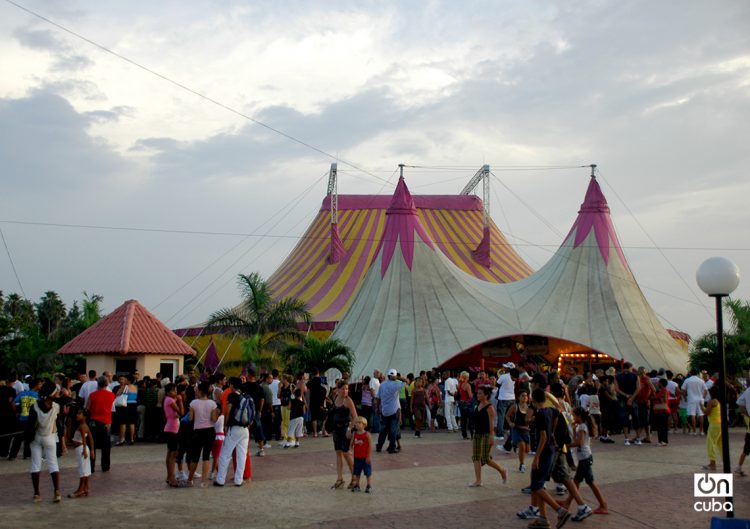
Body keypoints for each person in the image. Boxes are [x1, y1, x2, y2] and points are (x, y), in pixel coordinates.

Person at [516, 388, 571, 528]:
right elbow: (558, 411)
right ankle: (542, 518)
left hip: (544, 452)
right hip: (550, 449)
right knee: (537, 484)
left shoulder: (540, 414)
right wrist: (552, 430)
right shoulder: (549, 410)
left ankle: (560, 511)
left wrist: (537, 457)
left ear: (533, 400)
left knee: (537, 485)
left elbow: (543, 437)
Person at [561, 407, 608, 518]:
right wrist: (573, 427)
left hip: (585, 459)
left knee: (589, 483)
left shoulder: (582, 426)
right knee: (576, 483)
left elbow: (579, 442)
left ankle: (603, 504)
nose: (573, 417)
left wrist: (566, 446)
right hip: (584, 458)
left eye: (574, 415)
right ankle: (567, 503)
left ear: (579, 416)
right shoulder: (580, 426)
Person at [214, 377, 251, 487]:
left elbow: (228, 411)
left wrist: (225, 425)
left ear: (231, 385)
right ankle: (238, 480)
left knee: (225, 454)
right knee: (242, 455)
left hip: (234, 428)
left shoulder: (232, 395)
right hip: (245, 429)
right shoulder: (245, 395)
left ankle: (220, 480)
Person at [29, 382, 62, 503]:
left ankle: (37, 494)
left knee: (35, 465)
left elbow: (31, 424)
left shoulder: (35, 406)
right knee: (53, 464)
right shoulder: (56, 407)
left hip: (36, 437)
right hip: (50, 437)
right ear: (52, 394)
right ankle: (57, 492)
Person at [468, 386, 507, 487]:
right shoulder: (478, 405)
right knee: (476, 457)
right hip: (477, 434)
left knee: (485, 458)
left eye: (480, 393)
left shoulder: (490, 407)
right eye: (478, 393)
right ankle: (478, 480)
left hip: (486, 434)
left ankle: (502, 470)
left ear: (486, 395)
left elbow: (492, 424)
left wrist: (491, 437)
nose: (478, 395)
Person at [187, 381, 218, 486]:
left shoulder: (193, 403)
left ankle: (190, 479)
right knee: (206, 456)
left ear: (199, 391)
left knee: (195, 456)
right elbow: (214, 419)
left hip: (197, 431)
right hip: (209, 431)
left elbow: (190, 418)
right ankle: (203, 481)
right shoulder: (212, 403)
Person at [329, 380, 358, 489]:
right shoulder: (336, 398)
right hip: (336, 430)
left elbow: (355, 417)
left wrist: (350, 429)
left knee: (346, 453)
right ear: (338, 390)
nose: (345, 391)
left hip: (345, 429)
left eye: (347, 389)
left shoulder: (348, 401)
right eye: (343, 389)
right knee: (338, 453)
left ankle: (354, 477)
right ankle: (339, 478)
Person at [85, 376, 115, 473]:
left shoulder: (92, 395)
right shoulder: (111, 395)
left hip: (93, 422)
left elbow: (87, 408)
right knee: (106, 446)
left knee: (92, 445)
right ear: (106, 384)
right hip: (106, 422)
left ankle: (91, 466)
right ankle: (105, 466)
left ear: (98, 384)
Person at [68, 408, 94, 498]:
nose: (77, 415)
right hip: (84, 449)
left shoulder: (82, 426)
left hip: (81, 449)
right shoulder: (85, 426)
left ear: (84, 416)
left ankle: (80, 489)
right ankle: (85, 488)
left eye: (79, 414)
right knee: (86, 469)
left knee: (82, 470)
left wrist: (84, 450)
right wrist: (92, 450)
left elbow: (84, 439)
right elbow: (90, 438)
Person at [162, 383, 183, 487]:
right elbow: (181, 412)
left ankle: (169, 476)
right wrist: (180, 401)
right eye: (173, 390)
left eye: (175, 390)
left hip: (171, 428)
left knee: (170, 453)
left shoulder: (168, 400)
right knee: (173, 454)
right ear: (168, 392)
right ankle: (171, 478)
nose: (175, 392)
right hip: (172, 430)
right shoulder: (170, 400)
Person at [507, 390, 532, 472]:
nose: (525, 397)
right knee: (522, 445)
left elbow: (530, 419)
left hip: (525, 430)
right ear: (518, 397)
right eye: (523, 396)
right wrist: (510, 423)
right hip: (516, 429)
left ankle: (514, 444)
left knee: (527, 450)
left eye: (526, 396)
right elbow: (507, 416)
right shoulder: (515, 407)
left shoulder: (529, 408)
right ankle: (522, 465)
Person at [701, 385, 722, 471]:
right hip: (719, 424)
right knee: (720, 444)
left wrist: (701, 406)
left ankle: (712, 463)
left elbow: (706, 412)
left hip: (714, 425)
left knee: (710, 443)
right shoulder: (719, 401)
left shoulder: (712, 401)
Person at [349, 416, 372, 493]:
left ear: (364, 424)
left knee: (367, 472)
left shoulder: (367, 434)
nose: (357, 424)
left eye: (359, 423)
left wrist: (368, 456)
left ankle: (369, 485)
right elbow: (351, 444)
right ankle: (357, 485)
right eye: (356, 423)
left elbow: (370, 446)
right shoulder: (354, 434)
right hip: (357, 457)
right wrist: (350, 450)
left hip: (365, 457)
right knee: (357, 472)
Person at [681, 369, 708, 435]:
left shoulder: (687, 380)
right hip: (700, 399)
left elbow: (683, 390)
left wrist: (685, 397)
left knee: (692, 414)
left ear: (690, 373)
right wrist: (703, 397)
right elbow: (706, 390)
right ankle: (701, 431)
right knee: (701, 415)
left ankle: (694, 431)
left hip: (691, 399)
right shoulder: (701, 380)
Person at [495, 363, 518, 439]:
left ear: (508, 369)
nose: (504, 368)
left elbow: (497, 385)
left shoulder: (503, 376)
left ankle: (500, 434)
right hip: (512, 398)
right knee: (511, 417)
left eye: (506, 367)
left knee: (501, 416)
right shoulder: (515, 377)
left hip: (503, 398)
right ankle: (511, 433)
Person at [652, 378, 671, 446]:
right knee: (661, 426)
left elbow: (665, 400)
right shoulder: (661, 390)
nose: (657, 384)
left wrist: (656, 398)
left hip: (663, 410)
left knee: (662, 426)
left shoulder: (664, 390)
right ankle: (662, 441)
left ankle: (663, 441)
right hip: (660, 411)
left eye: (659, 383)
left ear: (661, 383)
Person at [736, 385, 750, 476]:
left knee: (746, 449)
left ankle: (738, 467)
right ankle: (738, 467)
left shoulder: (748, 390)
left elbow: (739, 403)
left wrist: (747, 415)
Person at [457, 371, 474, 440]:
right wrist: (473, 395)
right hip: (468, 404)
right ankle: (472, 435)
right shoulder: (467, 385)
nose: (468, 378)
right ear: (466, 377)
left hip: (461, 403)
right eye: (468, 377)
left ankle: (464, 435)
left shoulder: (460, 384)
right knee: (471, 420)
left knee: (463, 420)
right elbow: (470, 396)